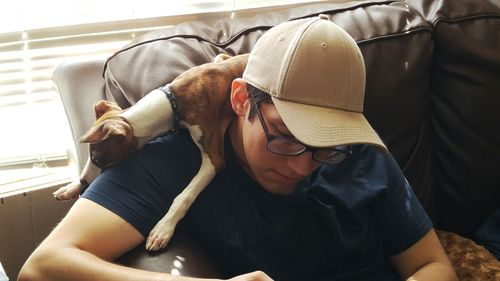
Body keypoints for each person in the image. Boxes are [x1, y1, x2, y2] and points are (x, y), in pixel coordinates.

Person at [18, 16, 457, 281]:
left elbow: (431, 264)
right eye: (285, 137)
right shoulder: (172, 161)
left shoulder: (357, 148)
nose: (305, 166)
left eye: (326, 146)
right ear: (241, 99)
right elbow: (44, 267)